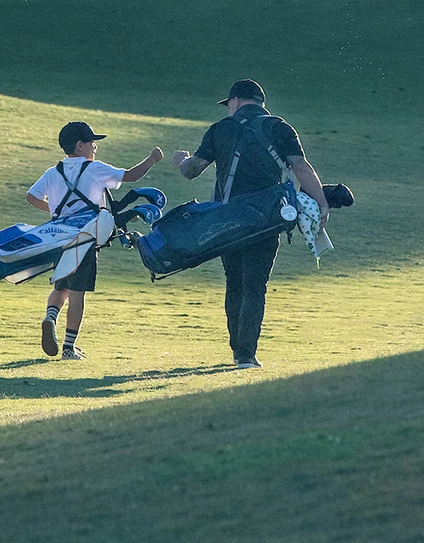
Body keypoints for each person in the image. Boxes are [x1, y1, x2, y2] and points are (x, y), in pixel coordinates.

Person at [171, 80, 328, 369]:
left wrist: (180, 160)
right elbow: (301, 167)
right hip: (268, 219)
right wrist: (321, 202)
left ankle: (236, 351)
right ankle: (246, 355)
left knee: (234, 283)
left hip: (228, 220)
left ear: (236, 101)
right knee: (256, 285)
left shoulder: (221, 129)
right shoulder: (281, 128)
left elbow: (192, 171)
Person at [27, 121, 161, 360]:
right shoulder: (93, 168)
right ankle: (69, 348)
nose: (95, 147)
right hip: (85, 238)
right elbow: (130, 176)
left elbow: (32, 196)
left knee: (61, 286)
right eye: (91, 142)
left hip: (58, 237)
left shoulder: (53, 172)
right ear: (80, 145)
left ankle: (50, 317)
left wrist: (54, 211)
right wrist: (152, 159)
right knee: (78, 292)